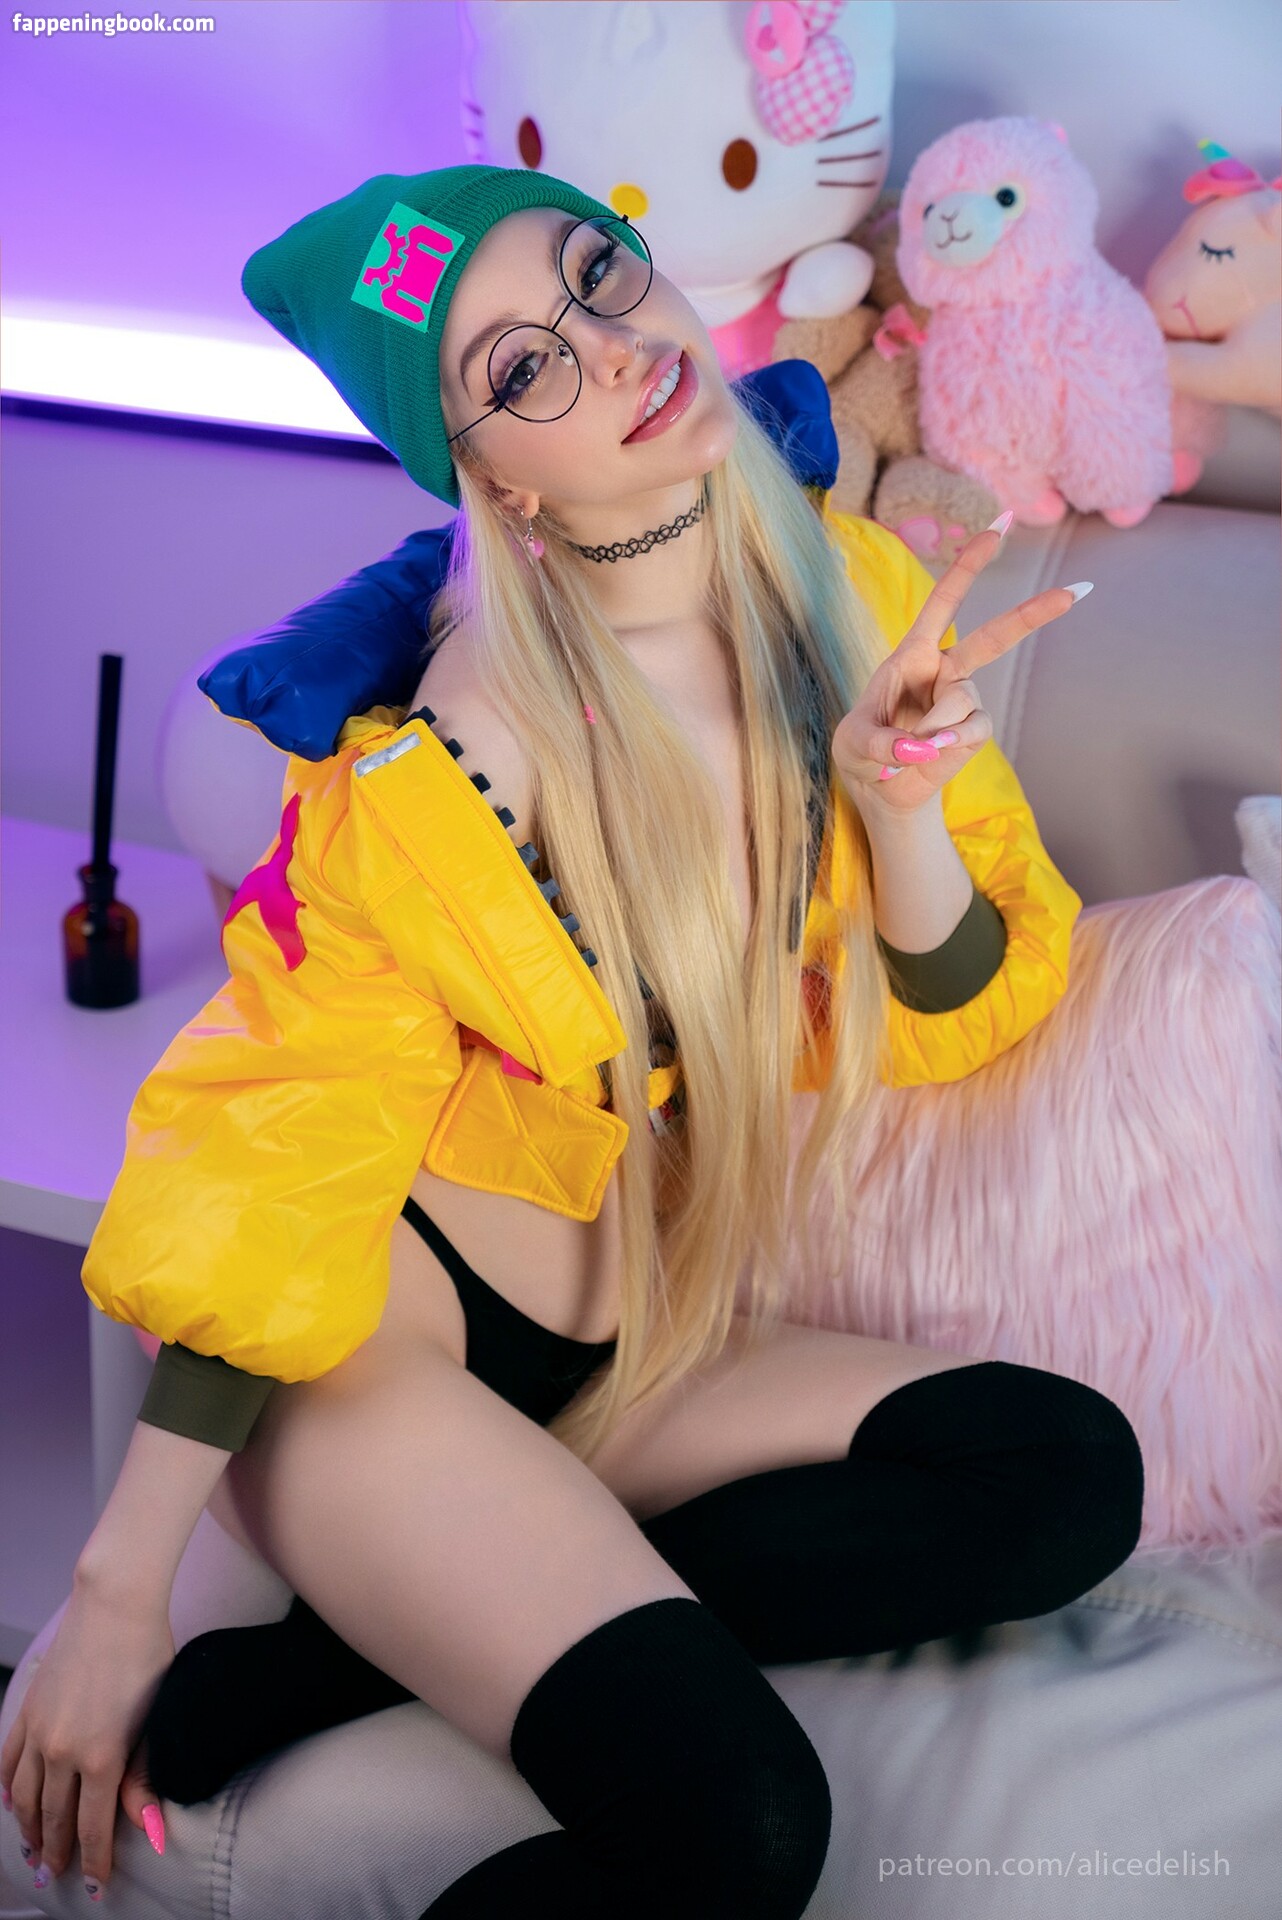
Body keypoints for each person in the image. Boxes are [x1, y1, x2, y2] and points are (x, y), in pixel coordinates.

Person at [1, 164, 1142, 1918]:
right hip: (375, 1363)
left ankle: (335, 1662)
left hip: (625, 1355)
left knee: (1061, 1473)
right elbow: (281, 1137)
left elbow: (955, 999)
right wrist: (115, 1588)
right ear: (496, 477)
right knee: (733, 1827)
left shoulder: (838, 585)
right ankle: (390, 1603)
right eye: (521, 368)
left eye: (597, 276)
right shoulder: (448, 754)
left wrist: (897, 806)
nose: (610, 348)